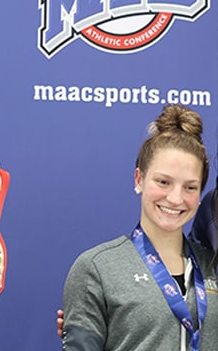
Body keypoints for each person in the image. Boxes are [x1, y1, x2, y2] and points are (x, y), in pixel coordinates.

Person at [61, 104, 218, 350]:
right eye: (163, 182)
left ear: (200, 195)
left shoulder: (212, 265)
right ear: (139, 179)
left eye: (190, 187)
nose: (176, 199)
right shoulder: (97, 267)